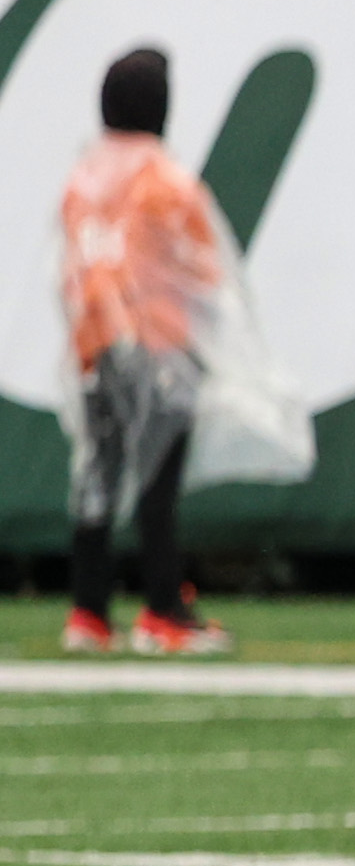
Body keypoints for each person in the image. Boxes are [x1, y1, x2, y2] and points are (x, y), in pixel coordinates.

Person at [53, 50, 238, 656]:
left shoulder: (82, 179)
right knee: (157, 485)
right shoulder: (164, 179)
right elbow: (206, 269)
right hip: (157, 344)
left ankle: (88, 612)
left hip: (95, 344)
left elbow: (72, 267)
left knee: (98, 477)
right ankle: (163, 611)